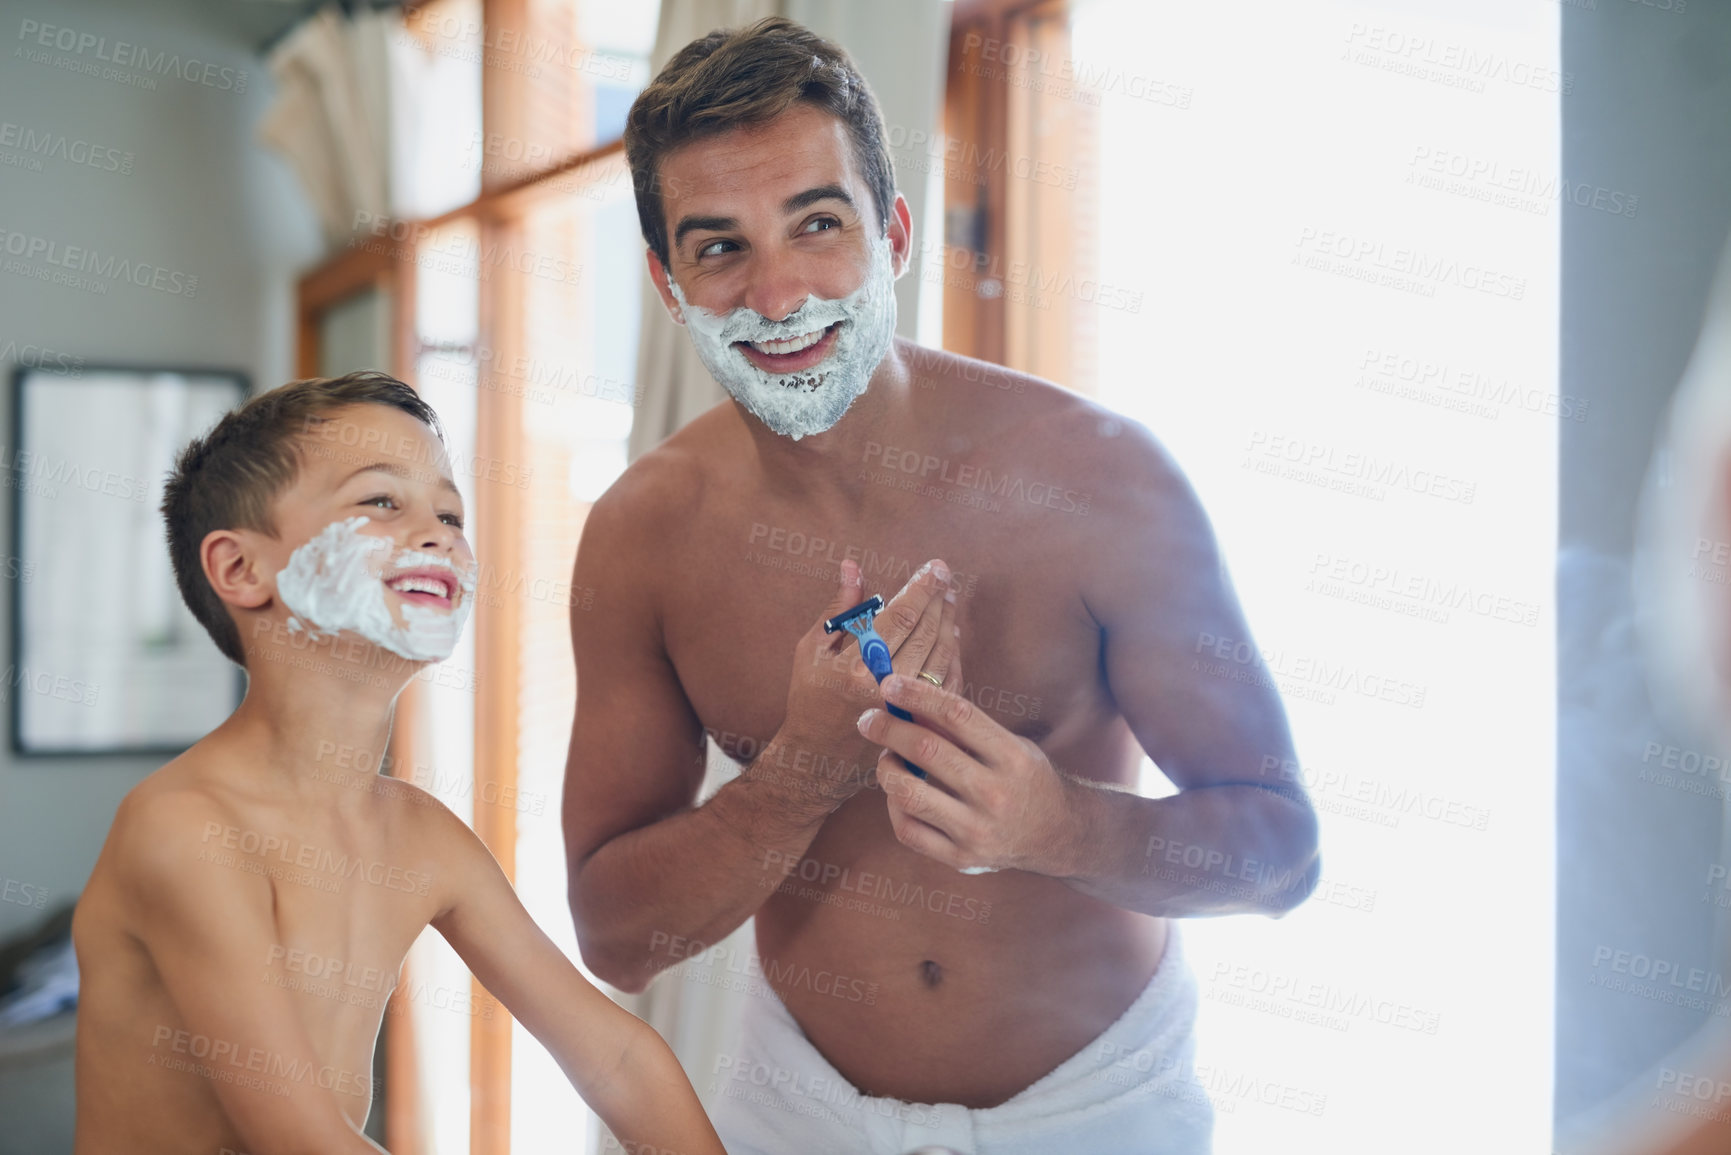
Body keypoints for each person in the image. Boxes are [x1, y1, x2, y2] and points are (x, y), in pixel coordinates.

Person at [562, 17, 1320, 1155]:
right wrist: (800, 775)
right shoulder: (644, 537)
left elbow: (1280, 855)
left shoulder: (1101, 480)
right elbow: (617, 937)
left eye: (817, 225)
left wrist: (1059, 827)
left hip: (1098, 1112)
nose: (776, 298)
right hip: (793, 1111)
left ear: (896, 233)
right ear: (670, 287)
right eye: (719, 249)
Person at [72, 374, 725, 1155]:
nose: (438, 531)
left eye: (450, 513)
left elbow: (617, 1059)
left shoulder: (420, 836)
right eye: (381, 502)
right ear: (243, 571)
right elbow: (299, 1137)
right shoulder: (184, 828)